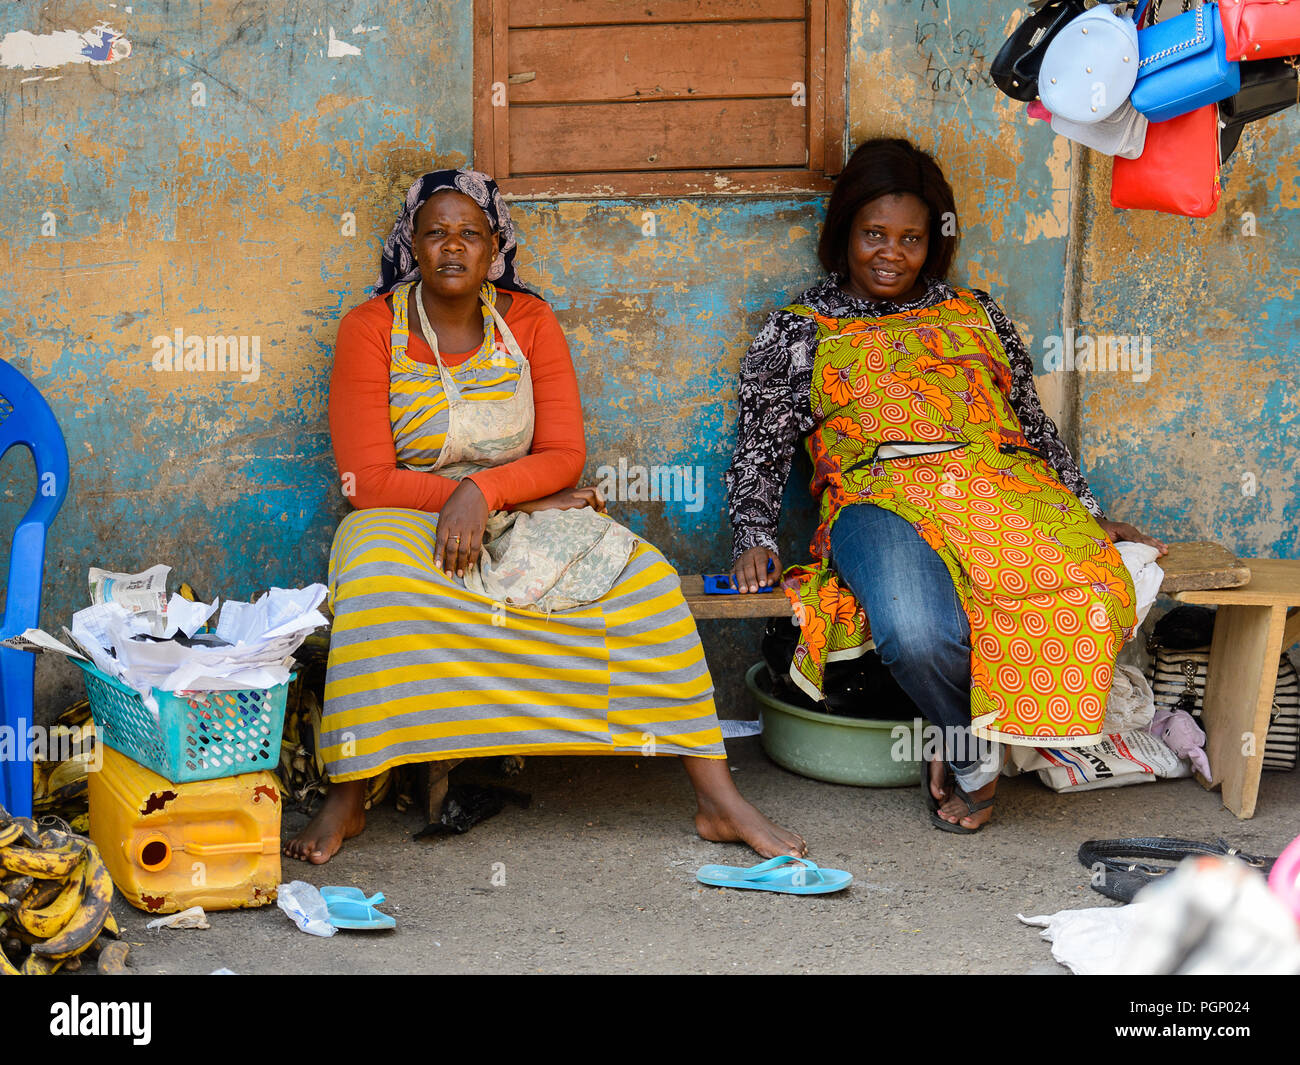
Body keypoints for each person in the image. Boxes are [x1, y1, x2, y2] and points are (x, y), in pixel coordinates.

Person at [286, 168, 804, 864]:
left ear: (494, 244)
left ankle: (717, 796)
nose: (451, 247)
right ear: (409, 242)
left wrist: (492, 493)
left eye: (470, 233)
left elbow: (565, 454)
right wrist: (471, 497)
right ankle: (352, 790)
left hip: (518, 503)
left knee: (646, 583)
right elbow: (368, 479)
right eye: (434, 232)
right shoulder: (370, 328)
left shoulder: (528, 321)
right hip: (406, 511)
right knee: (376, 588)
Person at [725, 138, 1167, 833]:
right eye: (874, 234)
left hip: (1001, 487)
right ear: (844, 232)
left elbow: (1032, 422)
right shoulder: (798, 330)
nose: (890, 253)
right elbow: (762, 447)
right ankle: (970, 748)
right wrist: (752, 534)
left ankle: (959, 735)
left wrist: (1085, 509)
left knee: (1091, 582)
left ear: (934, 243)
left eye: (911, 238)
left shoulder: (977, 315)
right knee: (920, 631)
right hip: (880, 498)